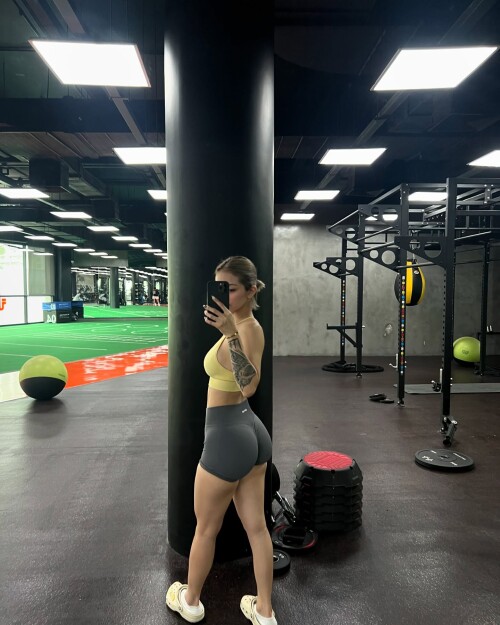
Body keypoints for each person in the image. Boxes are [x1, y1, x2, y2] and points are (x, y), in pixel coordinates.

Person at [166, 256, 277, 625]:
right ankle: (264, 611)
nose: (223, 295)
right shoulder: (247, 326)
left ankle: (190, 601)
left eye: (230, 288)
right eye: (219, 287)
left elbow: (249, 385)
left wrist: (229, 334)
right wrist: (229, 330)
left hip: (228, 436)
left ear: (251, 290)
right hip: (249, 431)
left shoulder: (244, 329)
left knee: (206, 529)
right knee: (257, 528)